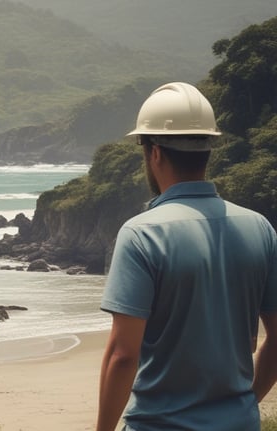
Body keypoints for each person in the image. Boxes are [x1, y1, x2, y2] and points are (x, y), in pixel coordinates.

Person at [96, 82, 277, 430]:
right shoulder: (259, 228)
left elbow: (123, 355)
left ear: (154, 153)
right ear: (209, 149)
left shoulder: (142, 234)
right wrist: (245, 403)